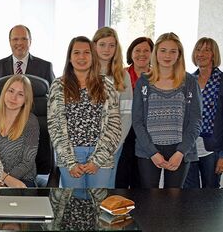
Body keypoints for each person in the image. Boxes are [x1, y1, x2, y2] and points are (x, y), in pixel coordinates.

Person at [48, 36, 121, 188]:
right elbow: (54, 127)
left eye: (86, 52)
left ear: (93, 57)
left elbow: (114, 126)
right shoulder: (58, 86)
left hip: (101, 155)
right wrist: (70, 162)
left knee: (98, 205)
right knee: (74, 204)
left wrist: (97, 161)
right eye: (76, 53)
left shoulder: (107, 85)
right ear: (69, 58)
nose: (81, 57)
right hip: (69, 156)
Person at [132, 32, 202, 188]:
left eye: (173, 51)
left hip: (179, 150)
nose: (167, 55)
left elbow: (196, 121)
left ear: (179, 55)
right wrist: (153, 153)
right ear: (156, 53)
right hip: (148, 150)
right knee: (149, 199)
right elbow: (137, 121)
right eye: (163, 50)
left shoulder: (190, 82)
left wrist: (181, 152)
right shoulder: (143, 82)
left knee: (174, 199)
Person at [183, 37, 223, 188]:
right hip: (189, 148)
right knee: (189, 196)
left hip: (212, 150)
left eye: (207, 50)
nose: (201, 54)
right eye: (198, 50)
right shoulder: (187, 80)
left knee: (211, 197)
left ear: (214, 55)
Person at [92, 27, 133, 188]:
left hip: (111, 144)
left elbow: (126, 114)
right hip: (84, 145)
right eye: (102, 44)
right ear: (94, 46)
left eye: (111, 45)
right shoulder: (83, 72)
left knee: (104, 191)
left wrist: (114, 144)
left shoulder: (122, 76)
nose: (106, 49)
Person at [0, 75, 39, 187]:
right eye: (11, 91)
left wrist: (6, 179)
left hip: (22, 179)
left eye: (20, 94)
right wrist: (0, 177)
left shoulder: (30, 121)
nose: (13, 98)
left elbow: (27, 162)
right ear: (4, 92)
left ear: (26, 99)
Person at [115, 37, 154, 189]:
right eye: (137, 50)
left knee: (142, 183)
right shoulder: (119, 75)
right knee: (120, 181)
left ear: (152, 54)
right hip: (123, 134)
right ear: (131, 53)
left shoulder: (157, 77)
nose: (141, 54)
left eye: (146, 51)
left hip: (146, 135)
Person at [0, 24, 55, 102]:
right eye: (15, 39)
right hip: (4, 114)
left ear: (30, 41)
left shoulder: (45, 67)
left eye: (24, 39)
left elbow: (54, 98)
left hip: (35, 113)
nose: (19, 43)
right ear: (10, 41)